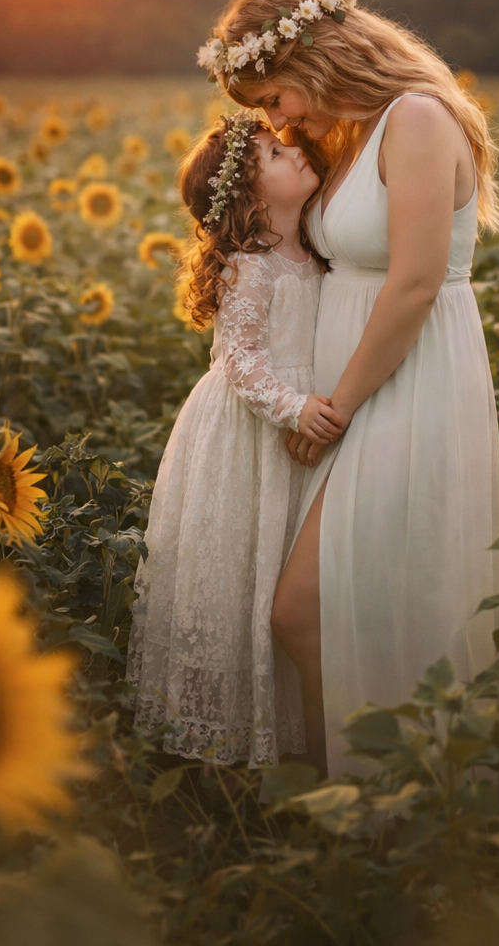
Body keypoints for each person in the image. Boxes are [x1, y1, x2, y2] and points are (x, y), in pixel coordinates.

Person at [199, 0, 499, 783]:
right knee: (357, 600)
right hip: (352, 378)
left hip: (403, 380)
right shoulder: (353, 133)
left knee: (309, 609)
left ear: (312, 56)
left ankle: (384, 800)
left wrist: (336, 408)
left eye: (274, 97)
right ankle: (363, 802)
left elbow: (415, 283)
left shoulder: (415, 118)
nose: (276, 121)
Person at [127, 113, 345, 766]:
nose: (294, 151)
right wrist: (293, 407)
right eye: (277, 153)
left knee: (290, 560)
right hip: (253, 434)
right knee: (250, 568)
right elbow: (240, 360)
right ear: (251, 196)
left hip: (302, 421)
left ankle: (305, 732)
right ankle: (242, 748)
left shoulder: (312, 246)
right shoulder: (252, 267)